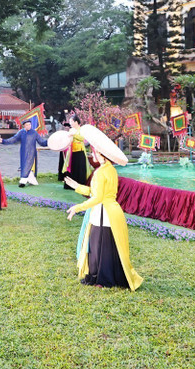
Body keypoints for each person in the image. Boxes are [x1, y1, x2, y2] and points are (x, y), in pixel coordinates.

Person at [65, 125, 143, 291]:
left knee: (99, 245)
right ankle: (107, 277)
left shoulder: (101, 172)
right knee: (107, 246)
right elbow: (97, 193)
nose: (92, 155)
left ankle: (102, 278)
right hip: (111, 212)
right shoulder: (110, 170)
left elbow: (97, 197)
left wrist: (77, 208)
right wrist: (77, 187)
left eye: (94, 152)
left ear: (100, 154)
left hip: (104, 213)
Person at [0, 118, 47, 187]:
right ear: (24, 126)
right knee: (25, 166)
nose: (29, 126)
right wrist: (3, 141)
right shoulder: (21, 132)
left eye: (30, 124)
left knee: (28, 165)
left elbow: (41, 142)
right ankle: (32, 181)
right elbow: (13, 139)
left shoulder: (34, 133)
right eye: (27, 125)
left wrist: (49, 142)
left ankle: (23, 181)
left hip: (32, 153)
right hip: (23, 152)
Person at [60, 115, 88, 190]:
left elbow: (82, 138)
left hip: (80, 151)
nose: (70, 123)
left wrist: (74, 135)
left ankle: (80, 185)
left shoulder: (81, 130)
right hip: (72, 152)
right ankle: (70, 185)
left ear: (76, 122)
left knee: (80, 168)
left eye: (71, 121)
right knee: (71, 168)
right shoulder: (71, 130)